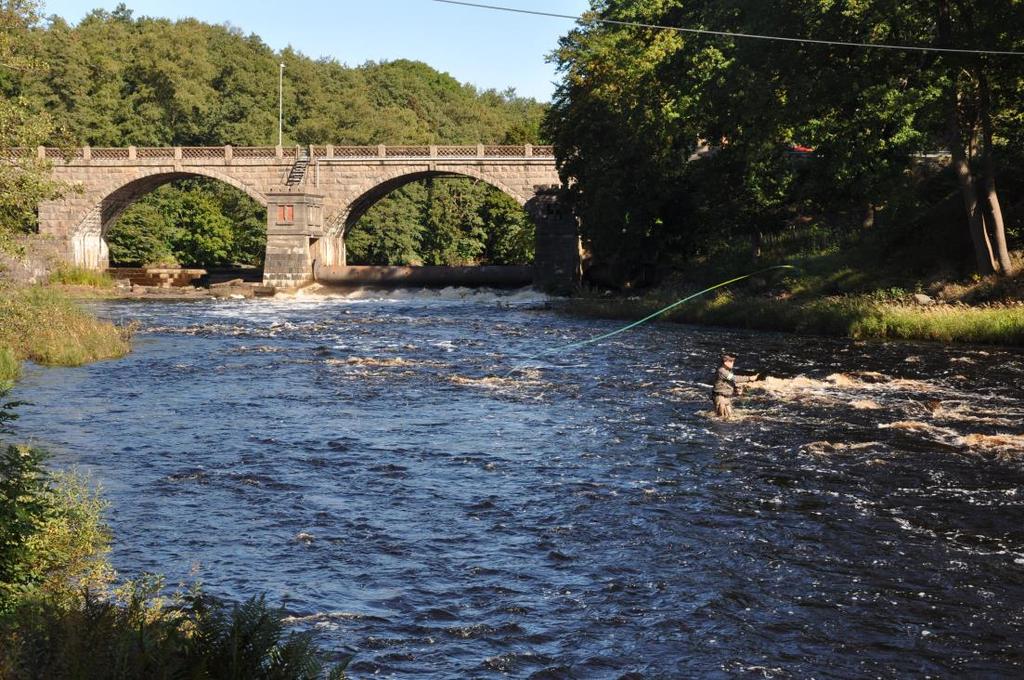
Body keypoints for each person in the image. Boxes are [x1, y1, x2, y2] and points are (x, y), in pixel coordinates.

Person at [712, 352, 760, 420]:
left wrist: (735, 389)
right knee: (722, 419)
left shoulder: (728, 370)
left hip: (726, 397)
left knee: (728, 418)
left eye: (733, 361)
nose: (733, 363)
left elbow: (730, 381)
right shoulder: (722, 371)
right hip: (721, 398)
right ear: (725, 362)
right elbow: (734, 378)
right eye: (731, 361)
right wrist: (749, 378)